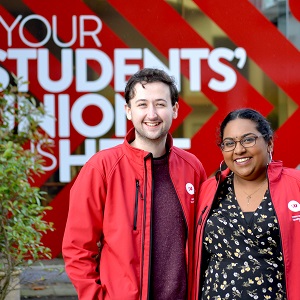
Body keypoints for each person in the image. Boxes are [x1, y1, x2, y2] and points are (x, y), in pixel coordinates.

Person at [62, 67, 207, 300]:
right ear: (128, 111)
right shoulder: (102, 167)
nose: (152, 114)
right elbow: (78, 248)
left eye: (160, 104)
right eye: (142, 105)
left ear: (175, 109)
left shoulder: (192, 168)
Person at [193, 108, 300, 300]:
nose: (239, 149)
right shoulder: (209, 191)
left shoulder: (296, 185)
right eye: (229, 143)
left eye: (248, 139)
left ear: (269, 143)